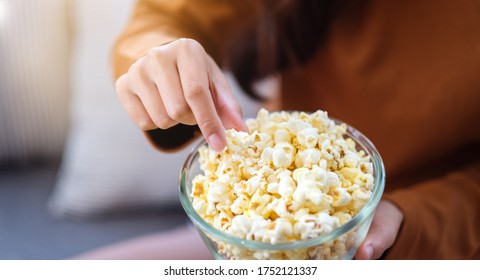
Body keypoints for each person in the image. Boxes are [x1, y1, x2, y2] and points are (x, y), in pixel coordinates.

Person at [77, 0, 480, 259]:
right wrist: (158, 57)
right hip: (270, 231)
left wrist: (413, 217)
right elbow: (167, 14)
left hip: (431, 237)